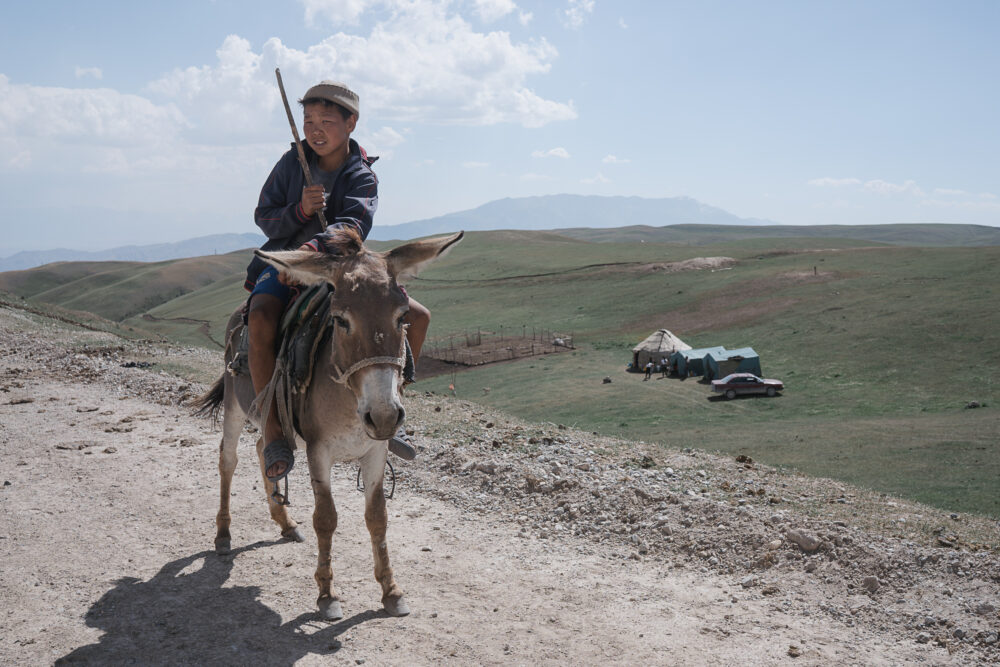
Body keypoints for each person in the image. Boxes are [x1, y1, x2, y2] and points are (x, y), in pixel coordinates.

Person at [243, 81, 429, 487]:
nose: (315, 129)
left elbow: (354, 223)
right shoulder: (291, 163)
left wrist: (319, 246)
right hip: (289, 263)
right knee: (259, 317)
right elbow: (264, 216)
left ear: (351, 123)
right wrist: (299, 210)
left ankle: (390, 406)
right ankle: (273, 430)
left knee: (417, 316)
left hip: (342, 264)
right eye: (309, 120)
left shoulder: (361, 175)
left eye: (327, 121)